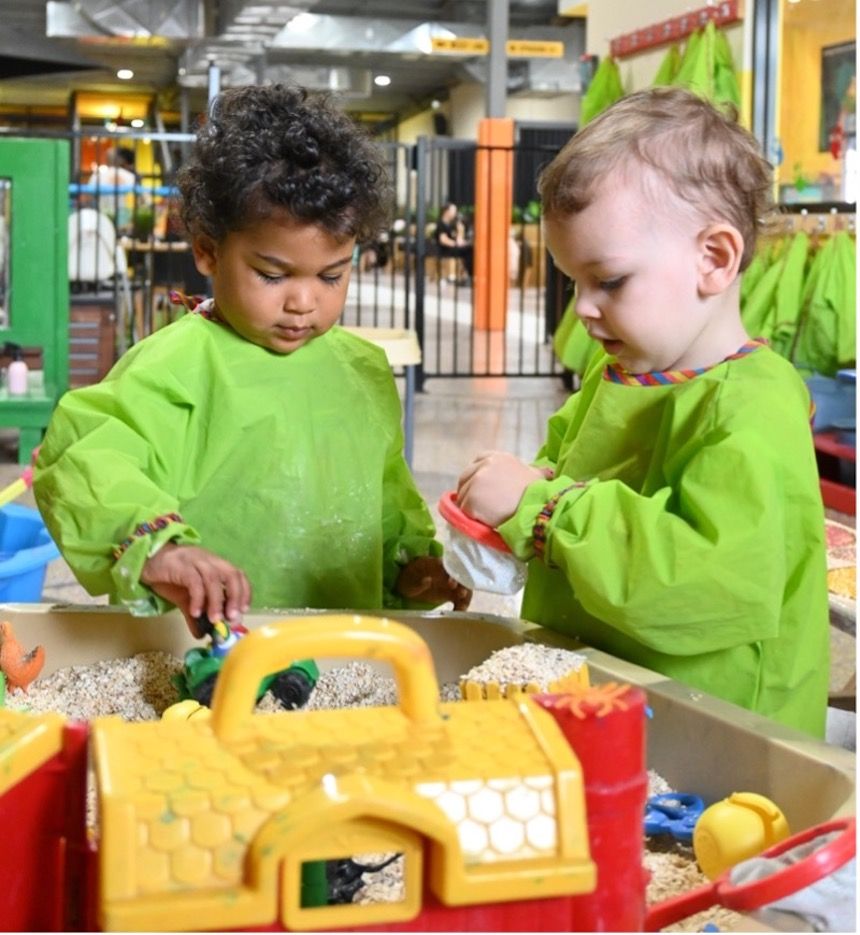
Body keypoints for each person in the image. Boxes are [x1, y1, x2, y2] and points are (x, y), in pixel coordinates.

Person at [455, 87, 829, 737]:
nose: (583, 309)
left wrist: (542, 513)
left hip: (718, 730)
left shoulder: (752, 406)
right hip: (606, 690)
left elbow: (703, 583)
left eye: (610, 281)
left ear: (713, 258)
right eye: (574, 281)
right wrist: (511, 507)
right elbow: (560, 471)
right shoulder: (620, 373)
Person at [35, 84, 471, 637]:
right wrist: (157, 548)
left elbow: (383, 501)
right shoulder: (175, 366)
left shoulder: (362, 370)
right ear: (208, 250)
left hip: (344, 648)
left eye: (332, 274)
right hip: (210, 655)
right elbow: (83, 459)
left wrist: (410, 568)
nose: (304, 301)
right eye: (273, 274)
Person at [435, 201, 473, 281]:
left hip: (454, 248)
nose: (455, 213)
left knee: (470, 248)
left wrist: (460, 231)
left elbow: (458, 239)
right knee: (469, 251)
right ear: (446, 211)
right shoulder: (441, 224)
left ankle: (468, 275)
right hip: (445, 249)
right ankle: (470, 275)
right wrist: (456, 244)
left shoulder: (453, 224)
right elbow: (443, 240)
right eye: (453, 211)